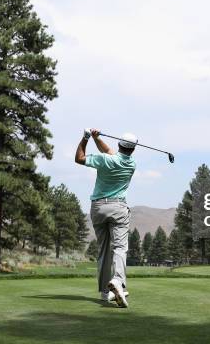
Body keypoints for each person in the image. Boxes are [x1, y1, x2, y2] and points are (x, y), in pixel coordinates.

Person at [75, 128, 137, 308]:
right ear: (132, 149)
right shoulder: (131, 164)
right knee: (119, 247)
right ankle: (118, 280)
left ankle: (104, 292)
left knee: (103, 250)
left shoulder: (104, 160)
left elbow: (80, 158)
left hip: (98, 208)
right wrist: (96, 138)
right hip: (118, 207)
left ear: (119, 144)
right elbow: (110, 152)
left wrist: (86, 138)